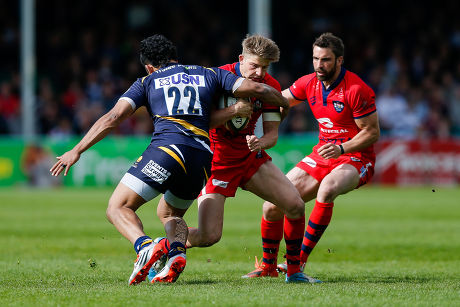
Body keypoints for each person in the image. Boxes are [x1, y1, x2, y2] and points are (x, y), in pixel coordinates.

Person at [49, 34, 289, 285]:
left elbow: (112, 118)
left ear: (149, 66)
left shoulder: (147, 80)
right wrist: (285, 103)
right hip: (203, 158)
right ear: (175, 57)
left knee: (117, 207)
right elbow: (259, 89)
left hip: (168, 150)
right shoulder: (207, 73)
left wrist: (76, 150)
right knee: (171, 213)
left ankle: (145, 247)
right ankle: (175, 253)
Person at [149, 34, 312, 283]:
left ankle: (292, 271)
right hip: (215, 162)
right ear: (241, 59)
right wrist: (232, 111)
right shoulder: (214, 78)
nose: (259, 73)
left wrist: (260, 142)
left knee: (295, 205)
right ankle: (163, 246)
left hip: (249, 158)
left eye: (265, 67)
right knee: (209, 236)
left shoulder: (270, 86)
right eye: (254, 65)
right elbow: (200, 123)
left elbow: (272, 135)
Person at [246, 32, 380, 282]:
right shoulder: (309, 82)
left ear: (340, 60)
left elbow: (372, 133)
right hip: (322, 154)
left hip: (356, 158)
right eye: (316, 59)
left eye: (326, 60)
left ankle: (298, 261)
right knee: (272, 206)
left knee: (327, 189)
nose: (320, 65)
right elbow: (277, 99)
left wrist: (342, 149)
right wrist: (249, 100)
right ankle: (268, 266)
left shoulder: (357, 89)